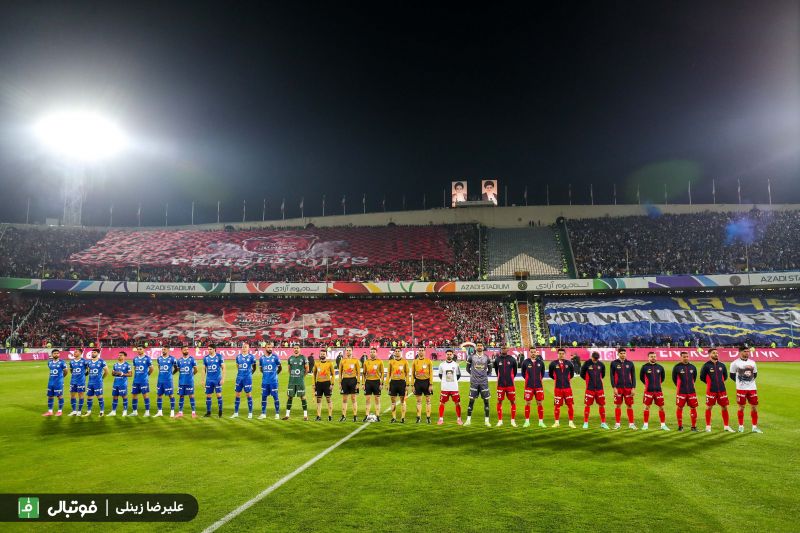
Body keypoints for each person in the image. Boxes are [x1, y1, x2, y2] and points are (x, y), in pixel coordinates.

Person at [700, 348, 734, 432]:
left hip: (722, 390)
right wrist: (711, 383)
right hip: (711, 390)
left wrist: (720, 383)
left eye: (717, 353)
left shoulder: (722, 365)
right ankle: (708, 427)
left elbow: (725, 377)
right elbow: (702, 377)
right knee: (709, 407)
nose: (716, 354)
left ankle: (726, 426)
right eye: (714, 353)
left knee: (725, 407)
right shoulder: (706, 366)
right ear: (709, 355)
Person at [730, 346, 762, 433]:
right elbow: (732, 376)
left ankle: (754, 427)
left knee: (754, 407)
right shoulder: (735, 363)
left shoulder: (753, 362)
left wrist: (749, 382)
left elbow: (755, 374)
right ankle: (741, 426)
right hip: (741, 389)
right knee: (741, 407)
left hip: (752, 388)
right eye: (745, 351)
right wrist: (740, 383)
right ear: (740, 352)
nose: (747, 353)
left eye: (748, 351)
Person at [639, 352, 670, 431]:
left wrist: (657, 385)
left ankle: (663, 425)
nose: (653, 358)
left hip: (658, 391)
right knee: (646, 407)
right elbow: (641, 378)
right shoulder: (644, 367)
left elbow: (662, 378)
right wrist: (647, 385)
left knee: (662, 407)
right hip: (648, 391)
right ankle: (645, 425)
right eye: (651, 356)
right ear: (648, 358)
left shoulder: (660, 367)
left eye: (654, 356)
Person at [464, 342, 491, 427]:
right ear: (476, 348)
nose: (479, 347)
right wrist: (473, 375)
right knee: (471, 401)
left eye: (481, 345)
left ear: (483, 347)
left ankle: (487, 421)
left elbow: (490, 370)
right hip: (474, 382)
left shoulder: (487, 357)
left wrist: (484, 376)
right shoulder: (471, 357)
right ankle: (468, 420)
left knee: (486, 401)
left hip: (484, 383)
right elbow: (467, 369)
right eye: (478, 346)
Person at [580, 352, 609, 429]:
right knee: (587, 405)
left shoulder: (601, 365)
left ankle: (603, 423)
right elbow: (582, 374)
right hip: (590, 388)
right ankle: (585, 422)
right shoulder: (586, 364)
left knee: (602, 405)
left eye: (597, 359)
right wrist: (588, 381)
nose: (595, 360)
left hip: (599, 388)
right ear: (591, 357)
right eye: (594, 358)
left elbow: (602, 375)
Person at [610, 348, 637, 430]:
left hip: (628, 388)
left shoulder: (630, 363)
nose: (623, 354)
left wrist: (633, 387)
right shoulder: (614, 363)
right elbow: (612, 376)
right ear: (618, 354)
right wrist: (614, 387)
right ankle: (617, 423)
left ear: (626, 354)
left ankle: (631, 424)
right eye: (621, 353)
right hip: (618, 388)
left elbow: (633, 376)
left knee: (629, 405)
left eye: (624, 353)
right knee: (618, 405)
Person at [548, 348, 576, 428]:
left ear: (564, 354)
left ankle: (571, 422)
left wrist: (566, 380)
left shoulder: (569, 363)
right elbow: (550, 374)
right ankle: (556, 422)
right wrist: (558, 380)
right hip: (558, 388)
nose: (561, 355)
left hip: (567, 388)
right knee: (557, 406)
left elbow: (572, 375)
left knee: (570, 405)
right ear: (558, 354)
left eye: (562, 353)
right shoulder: (553, 364)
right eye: (560, 353)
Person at [672, 351, 699, 431]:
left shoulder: (693, 367)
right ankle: (680, 426)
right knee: (680, 408)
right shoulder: (677, 367)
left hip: (691, 391)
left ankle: (693, 427)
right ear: (681, 357)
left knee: (693, 408)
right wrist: (680, 386)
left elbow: (694, 378)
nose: (686, 358)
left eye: (687, 356)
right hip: (681, 391)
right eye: (684, 357)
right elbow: (674, 379)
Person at [521, 349, 546, 428]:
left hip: (539, 386)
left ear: (536, 352)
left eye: (534, 352)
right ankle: (527, 421)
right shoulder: (525, 362)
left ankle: (541, 422)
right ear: (529, 353)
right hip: (529, 386)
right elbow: (523, 373)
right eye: (531, 352)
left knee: (540, 403)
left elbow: (542, 373)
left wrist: (537, 380)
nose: (533, 353)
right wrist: (529, 380)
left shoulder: (540, 362)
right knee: (528, 403)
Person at [282, 345, 309, 421]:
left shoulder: (303, 358)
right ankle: (287, 415)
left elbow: (307, 369)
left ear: (299, 349)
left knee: (302, 397)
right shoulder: (290, 358)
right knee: (290, 397)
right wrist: (293, 376)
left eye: (297, 348)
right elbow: (289, 370)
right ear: (293, 349)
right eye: (295, 348)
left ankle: (305, 416)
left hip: (300, 381)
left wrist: (302, 376)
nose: (296, 349)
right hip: (292, 381)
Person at [436, 349, 462, 425]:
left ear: (453, 355)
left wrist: (453, 381)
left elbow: (458, 375)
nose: (449, 355)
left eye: (450, 354)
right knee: (441, 403)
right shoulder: (442, 365)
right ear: (445, 355)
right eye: (448, 354)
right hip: (445, 387)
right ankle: (441, 419)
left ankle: (459, 419)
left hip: (454, 387)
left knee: (457, 403)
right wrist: (446, 381)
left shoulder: (456, 365)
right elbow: (440, 375)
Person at [493, 346, 518, 427]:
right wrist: (501, 378)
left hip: (510, 385)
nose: (504, 349)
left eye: (505, 348)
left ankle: (513, 421)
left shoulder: (512, 359)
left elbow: (515, 371)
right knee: (499, 401)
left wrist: (510, 379)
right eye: (502, 348)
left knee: (513, 401)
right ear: (501, 349)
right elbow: (497, 371)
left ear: (508, 349)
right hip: (500, 385)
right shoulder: (497, 359)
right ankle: (500, 421)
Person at [386, 347, 411, 423]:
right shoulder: (391, 362)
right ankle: (394, 418)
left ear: (401, 352)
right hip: (393, 383)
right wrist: (387, 383)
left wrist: (407, 384)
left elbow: (407, 374)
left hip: (402, 383)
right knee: (393, 401)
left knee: (403, 401)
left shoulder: (405, 362)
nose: (397, 352)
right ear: (394, 353)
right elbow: (388, 374)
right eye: (396, 351)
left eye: (398, 351)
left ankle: (403, 418)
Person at [232, 343, 256, 419]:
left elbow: (254, 367)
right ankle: (236, 413)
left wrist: (249, 374)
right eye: (243, 347)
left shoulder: (251, 357)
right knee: (237, 394)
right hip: (239, 378)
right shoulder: (238, 357)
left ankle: (250, 413)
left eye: (245, 347)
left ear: (248, 348)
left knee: (248, 394)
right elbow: (237, 366)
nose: (244, 348)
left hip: (247, 378)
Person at [259, 341, 281, 419]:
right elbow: (261, 369)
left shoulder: (275, 357)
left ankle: (277, 413)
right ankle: (263, 413)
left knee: (275, 396)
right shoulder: (261, 358)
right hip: (265, 381)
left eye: (271, 347)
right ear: (265, 348)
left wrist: (275, 374)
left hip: (273, 381)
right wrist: (266, 374)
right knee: (264, 397)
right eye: (268, 347)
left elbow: (280, 368)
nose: (270, 348)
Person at [361, 347, 384, 421]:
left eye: (373, 352)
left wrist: (381, 383)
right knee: (367, 399)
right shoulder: (366, 362)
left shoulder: (380, 362)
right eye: (371, 352)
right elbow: (364, 373)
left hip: (377, 382)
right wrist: (363, 384)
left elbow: (383, 373)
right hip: (368, 382)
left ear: (376, 353)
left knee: (377, 399)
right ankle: (366, 415)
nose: (372, 353)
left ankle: (377, 416)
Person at [338, 347, 361, 422]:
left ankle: (355, 416)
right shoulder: (342, 360)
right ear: (345, 352)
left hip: (353, 380)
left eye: (349, 350)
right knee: (344, 399)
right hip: (344, 381)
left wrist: (358, 382)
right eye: (347, 350)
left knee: (353, 398)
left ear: (352, 351)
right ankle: (343, 416)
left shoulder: (355, 360)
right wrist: (339, 383)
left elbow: (358, 372)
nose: (348, 351)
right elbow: (340, 372)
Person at [412, 348, 434, 424]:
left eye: (422, 350)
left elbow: (431, 373)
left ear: (424, 352)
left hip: (426, 382)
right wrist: (412, 385)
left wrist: (431, 384)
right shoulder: (415, 361)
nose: (421, 352)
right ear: (418, 352)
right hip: (417, 382)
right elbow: (412, 374)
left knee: (428, 401)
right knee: (418, 401)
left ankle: (428, 418)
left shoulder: (428, 361)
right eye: (419, 350)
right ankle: (418, 417)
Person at [83, 348, 107, 417]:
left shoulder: (101, 361)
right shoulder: (89, 362)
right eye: (92, 352)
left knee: (99, 396)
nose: (93, 353)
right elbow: (88, 371)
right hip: (90, 382)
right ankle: (89, 411)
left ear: (98, 353)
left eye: (94, 352)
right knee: (89, 397)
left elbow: (106, 371)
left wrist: (101, 378)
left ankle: (102, 411)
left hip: (98, 382)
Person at [43, 348, 67, 417]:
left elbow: (65, 371)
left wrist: (61, 378)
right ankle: (50, 411)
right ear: (52, 355)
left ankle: (60, 411)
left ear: (59, 354)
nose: (56, 354)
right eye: (54, 353)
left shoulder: (62, 362)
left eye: (57, 353)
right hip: (51, 382)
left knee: (59, 396)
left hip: (58, 382)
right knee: (50, 396)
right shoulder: (49, 362)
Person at [203, 344, 226, 418]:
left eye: (210, 349)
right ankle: (208, 412)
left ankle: (220, 411)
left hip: (217, 379)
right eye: (208, 349)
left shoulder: (219, 356)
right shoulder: (206, 358)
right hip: (209, 379)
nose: (209, 350)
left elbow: (223, 368)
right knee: (208, 395)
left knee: (218, 395)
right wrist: (202, 380)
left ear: (214, 349)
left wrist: (223, 378)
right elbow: (203, 369)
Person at [154, 347, 177, 418]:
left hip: (168, 380)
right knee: (159, 395)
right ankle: (160, 412)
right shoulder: (159, 359)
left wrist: (172, 374)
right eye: (162, 349)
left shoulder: (172, 359)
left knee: (171, 395)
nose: (163, 351)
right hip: (160, 380)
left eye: (165, 349)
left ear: (168, 350)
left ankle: (172, 411)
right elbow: (159, 367)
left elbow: (176, 368)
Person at [313, 348, 335, 421]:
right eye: (321, 354)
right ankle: (318, 416)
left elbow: (333, 374)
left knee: (328, 399)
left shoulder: (329, 363)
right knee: (318, 400)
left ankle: (330, 416)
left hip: (327, 383)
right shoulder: (316, 363)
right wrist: (314, 384)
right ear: (320, 354)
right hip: (319, 384)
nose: (322, 355)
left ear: (326, 355)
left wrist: (332, 384)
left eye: (324, 354)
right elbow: (314, 374)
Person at [130, 346, 153, 417]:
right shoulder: (135, 359)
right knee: (134, 396)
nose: (139, 350)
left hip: (144, 381)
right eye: (138, 349)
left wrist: (146, 375)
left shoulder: (147, 358)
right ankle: (134, 412)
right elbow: (135, 368)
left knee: (145, 396)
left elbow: (151, 369)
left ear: (144, 349)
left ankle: (147, 412)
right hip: (136, 380)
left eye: (140, 349)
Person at [176, 346, 198, 418]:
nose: (186, 350)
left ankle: (193, 413)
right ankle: (180, 412)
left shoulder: (192, 359)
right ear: (182, 351)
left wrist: (191, 375)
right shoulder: (179, 360)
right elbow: (179, 370)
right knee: (181, 396)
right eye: (185, 349)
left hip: (189, 381)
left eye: (187, 349)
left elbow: (196, 370)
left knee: (191, 396)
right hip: (181, 381)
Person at [108, 351, 132, 417]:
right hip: (115, 383)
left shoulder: (127, 365)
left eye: (121, 355)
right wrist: (114, 373)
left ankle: (125, 411)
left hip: (123, 383)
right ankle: (113, 411)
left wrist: (122, 374)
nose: (119, 356)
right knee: (114, 397)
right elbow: (112, 374)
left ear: (124, 356)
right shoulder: (115, 364)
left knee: (124, 396)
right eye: (119, 355)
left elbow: (130, 374)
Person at [68, 349, 88, 416]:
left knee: (81, 396)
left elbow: (88, 369)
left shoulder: (84, 361)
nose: (74, 353)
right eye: (74, 352)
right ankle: (74, 411)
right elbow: (71, 370)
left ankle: (79, 411)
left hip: (81, 381)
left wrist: (83, 375)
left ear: (80, 353)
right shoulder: (71, 362)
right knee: (72, 396)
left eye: (76, 352)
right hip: (73, 381)